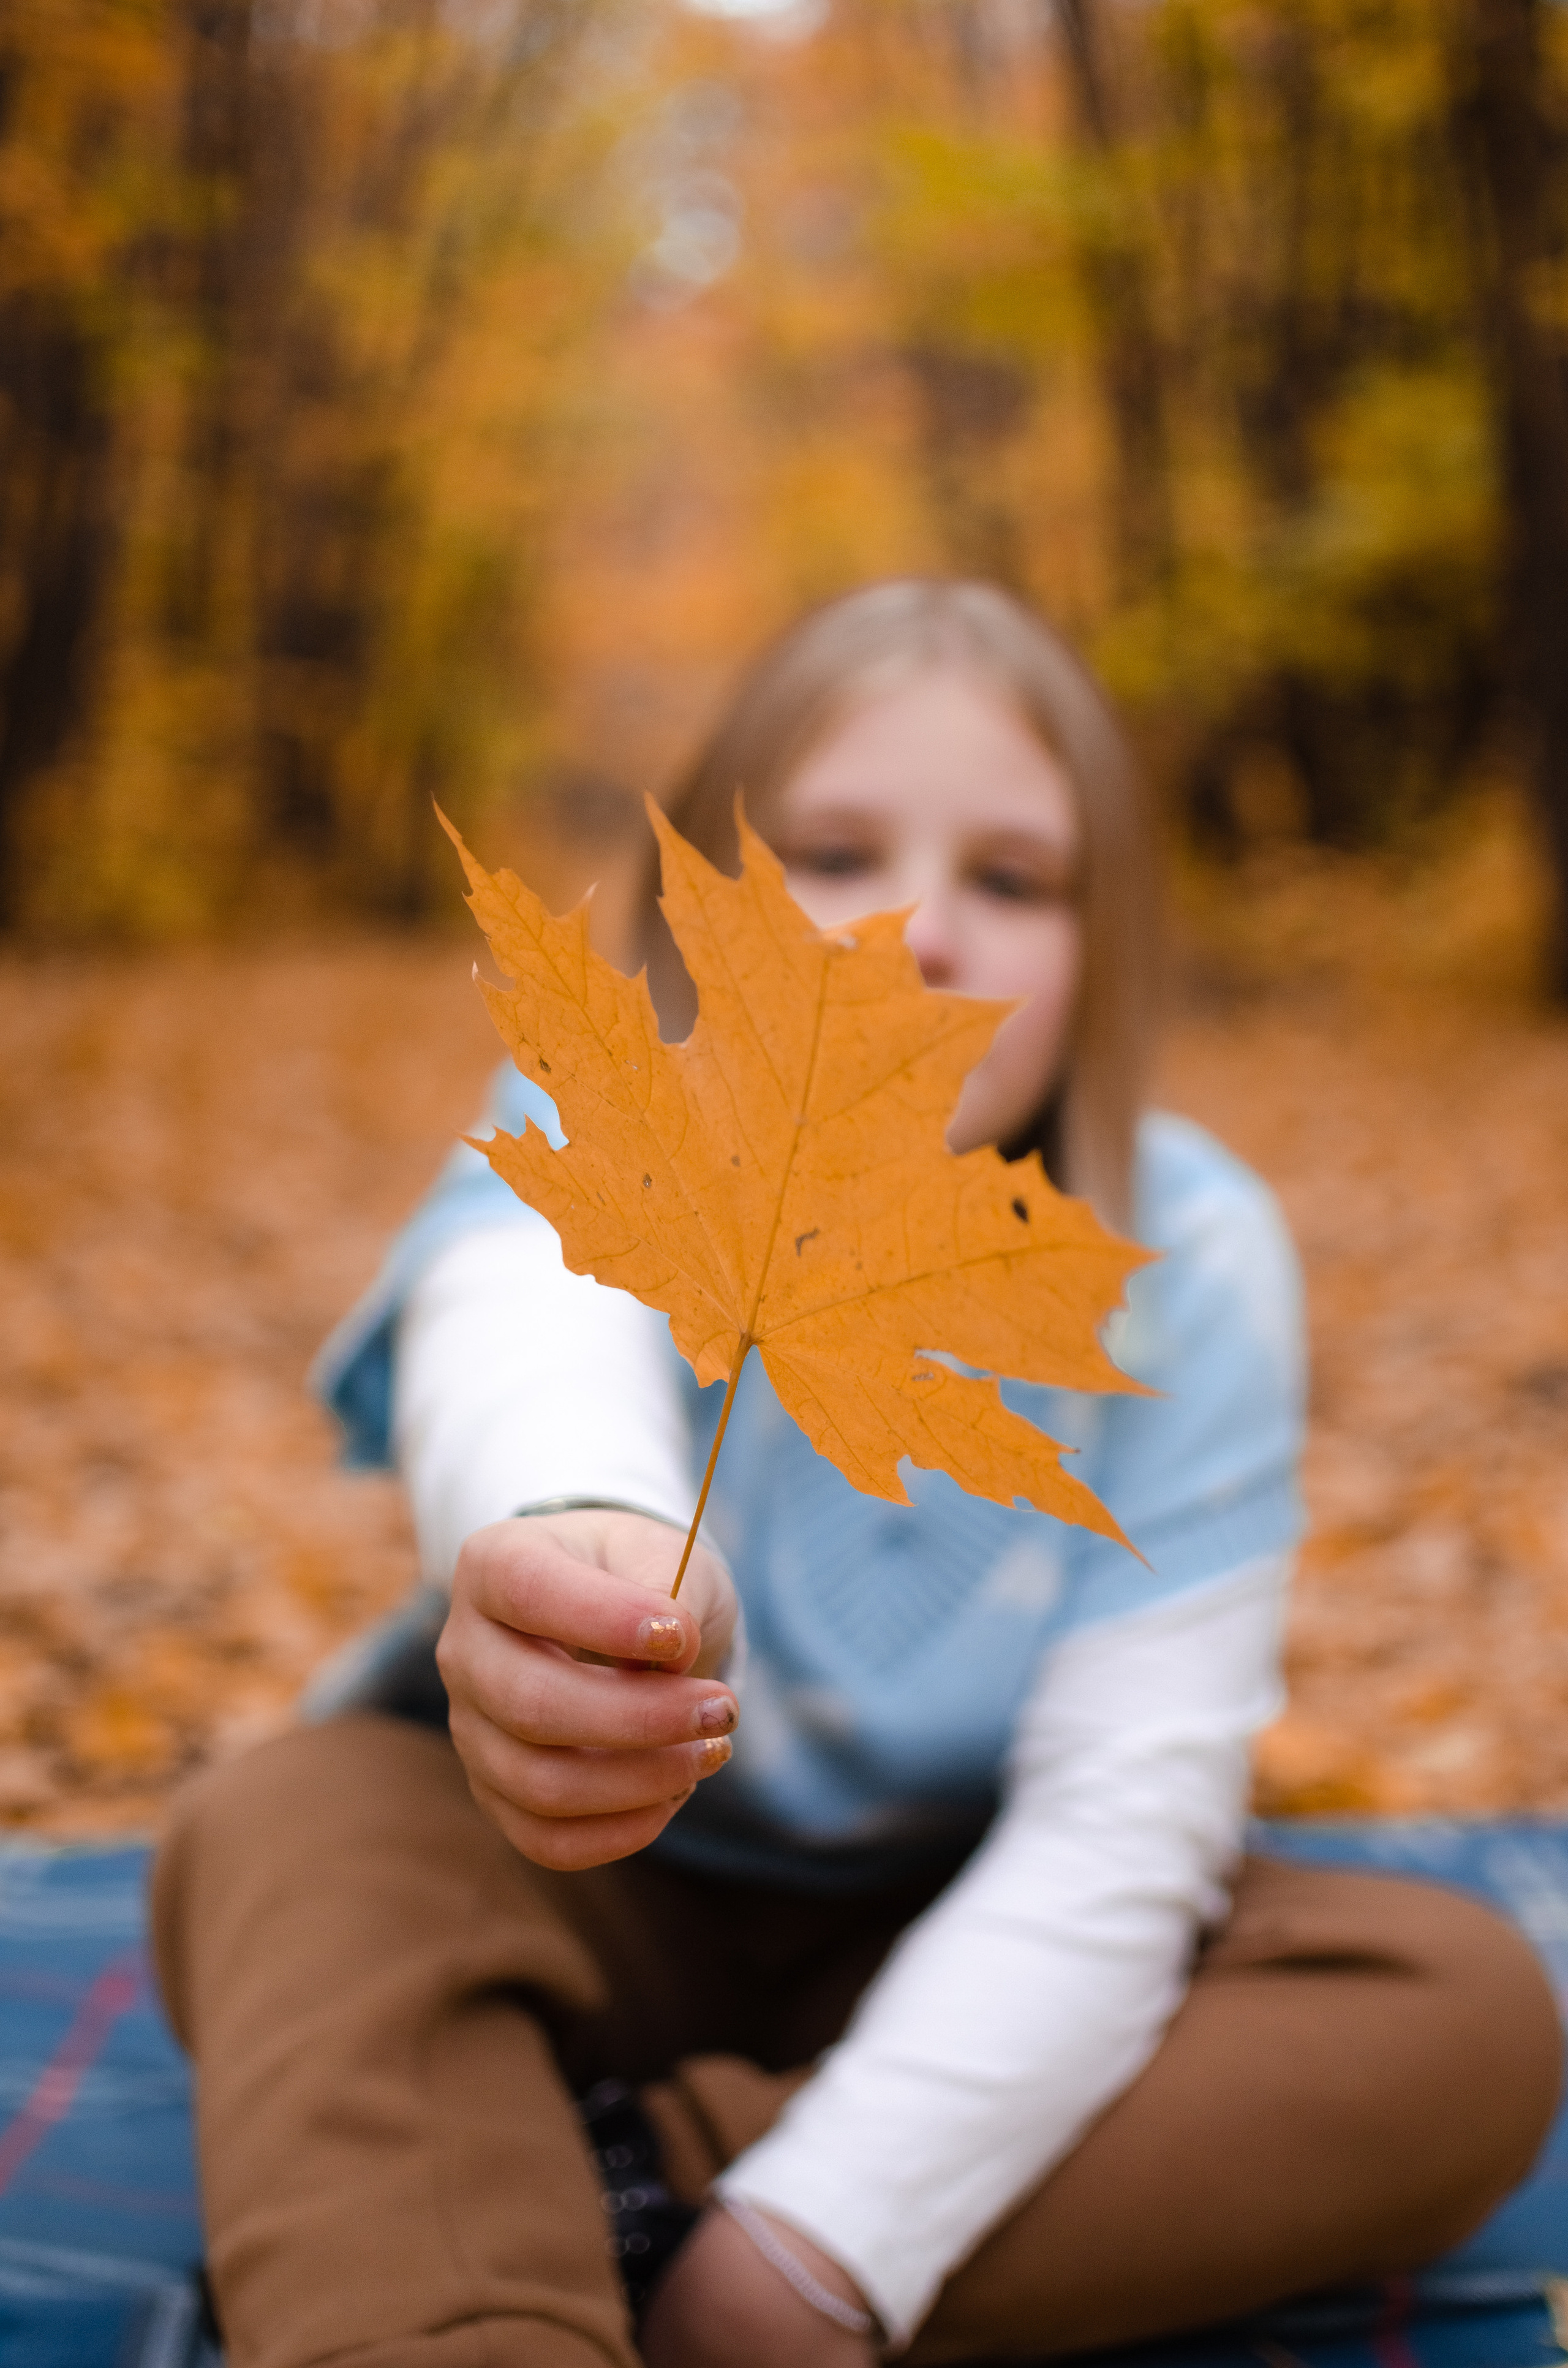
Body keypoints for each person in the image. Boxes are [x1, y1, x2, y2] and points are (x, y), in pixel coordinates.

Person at [151, 581, 1560, 2368]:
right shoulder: (603, 1126)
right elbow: (516, 1329)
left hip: (976, 1927)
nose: (917, 925)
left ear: (1104, 945)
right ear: (701, 914)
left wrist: (822, 2241)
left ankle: (626, 2190)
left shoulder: (1183, 1256)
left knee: (1461, 2011)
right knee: (285, 1825)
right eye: (831, 850)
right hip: (569, 1876)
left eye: (1016, 879)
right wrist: (582, 1534)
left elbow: (1126, 1816)